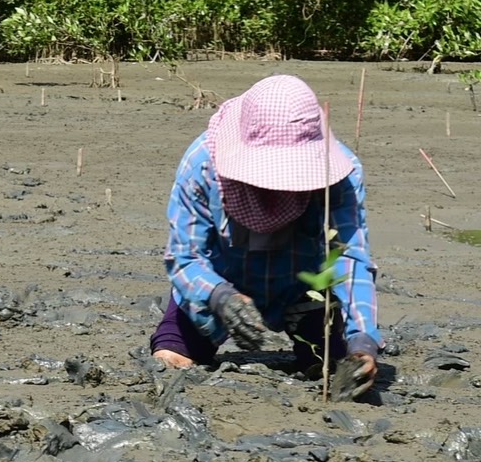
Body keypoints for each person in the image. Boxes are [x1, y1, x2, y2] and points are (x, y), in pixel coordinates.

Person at [151, 74, 379, 397]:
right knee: (168, 363)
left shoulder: (340, 175)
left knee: (338, 373)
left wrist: (363, 340)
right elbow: (185, 257)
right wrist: (219, 296)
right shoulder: (202, 166)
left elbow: (351, 260)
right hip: (219, 285)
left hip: (304, 290)